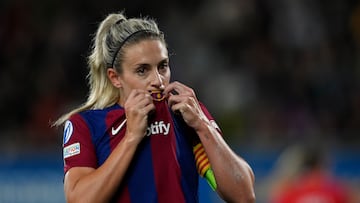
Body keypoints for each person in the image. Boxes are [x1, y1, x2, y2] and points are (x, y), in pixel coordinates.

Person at [54, 12, 255, 203]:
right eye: (142, 70)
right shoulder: (85, 125)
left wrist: (203, 125)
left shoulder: (185, 114)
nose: (158, 80)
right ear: (115, 78)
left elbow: (244, 196)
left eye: (163, 66)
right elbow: (80, 199)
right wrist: (131, 137)